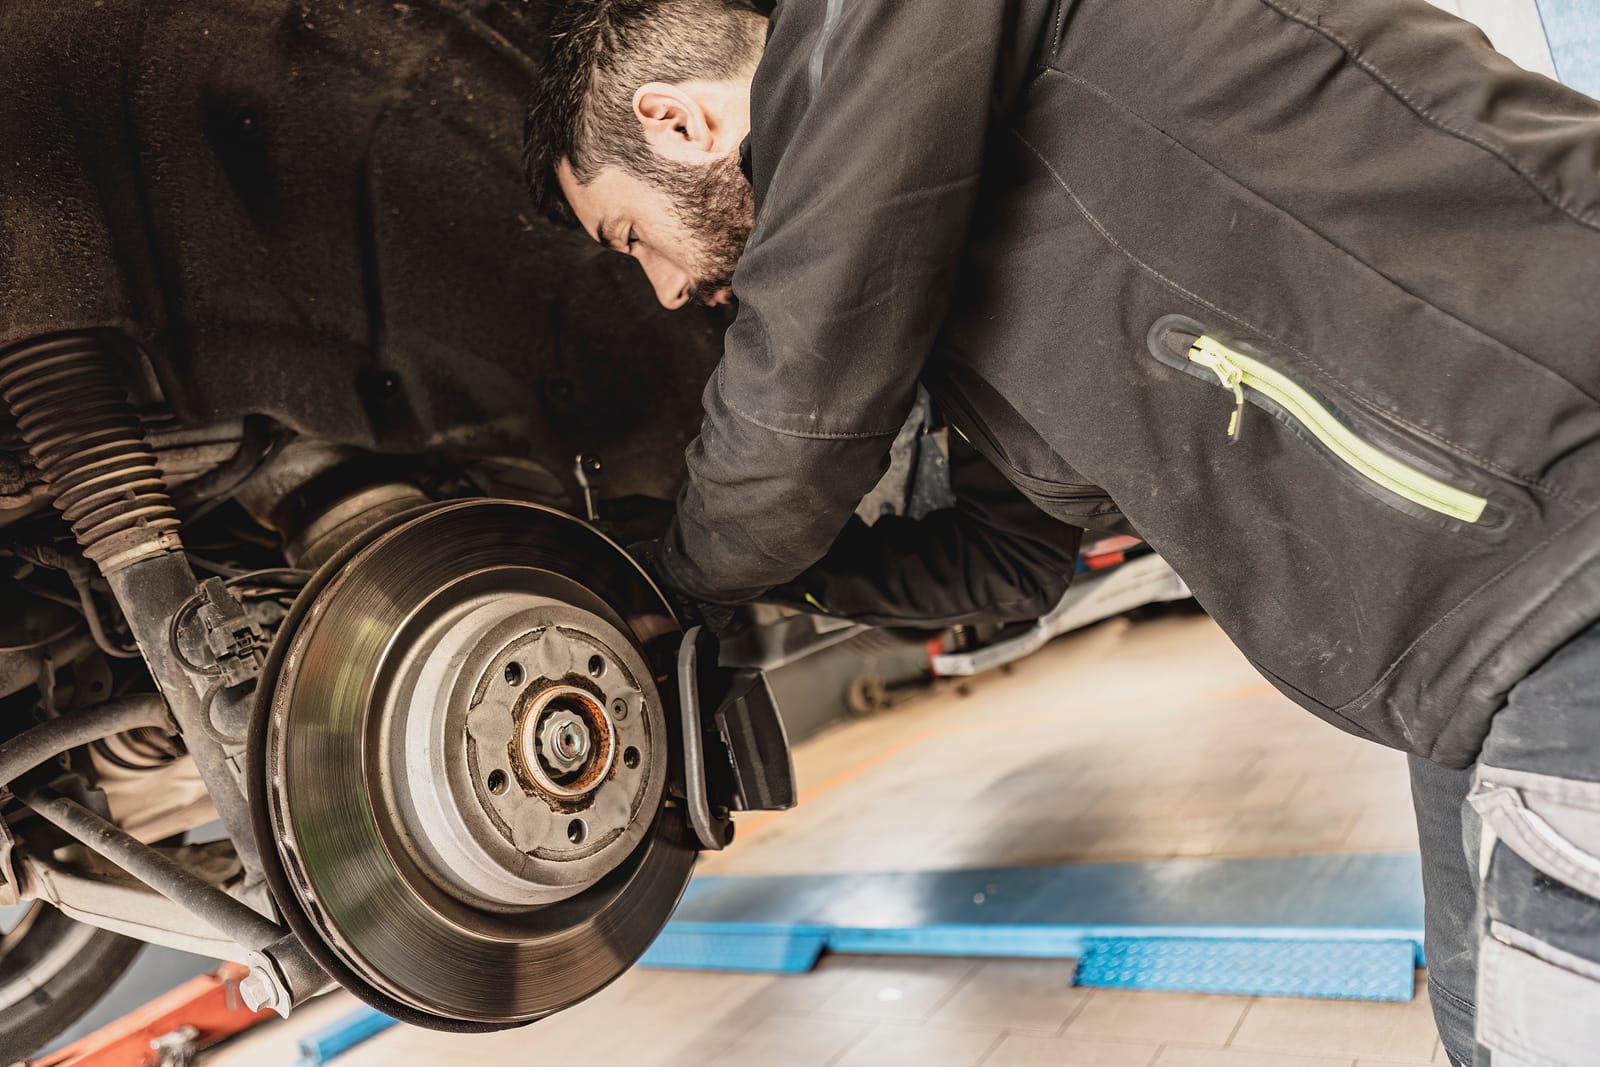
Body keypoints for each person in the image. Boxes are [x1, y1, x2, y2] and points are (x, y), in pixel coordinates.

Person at [523, 0, 1600, 1062]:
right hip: (1469, 645)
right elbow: (1011, 557)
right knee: (1481, 1028)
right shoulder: (946, 243)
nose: (663, 291)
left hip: (1560, 521)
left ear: (679, 122)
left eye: (632, 238)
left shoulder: (882, 31)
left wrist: (661, 583)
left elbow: (794, 411)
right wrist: (795, 578)